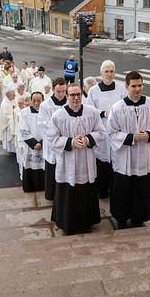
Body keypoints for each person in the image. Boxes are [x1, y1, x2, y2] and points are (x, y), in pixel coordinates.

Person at [107, 71, 150, 229]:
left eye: (140, 85)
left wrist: (148, 134)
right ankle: (121, 217)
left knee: (142, 187)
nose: (137, 89)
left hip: (143, 155)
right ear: (126, 86)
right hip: (125, 156)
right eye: (133, 86)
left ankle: (139, 217)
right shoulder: (118, 107)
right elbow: (111, 132)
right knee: (123, 188)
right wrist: (132, 137)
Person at [48, 83, 105, 236]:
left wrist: (87, 140)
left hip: (86, 160)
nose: (76, 98)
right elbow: (52, 139)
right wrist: (71, 142)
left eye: (78, 94)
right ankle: (68, 224)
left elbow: (101, 132)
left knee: (85, 192)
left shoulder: (92, 113)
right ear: (66, 96)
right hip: (67, 162)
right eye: (72, 95)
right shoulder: (58, 116)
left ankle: (86, 223)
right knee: (68, 194)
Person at [86, 60, 127, 200]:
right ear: (101, 74)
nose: (109, 74)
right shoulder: (94, 91)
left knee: (116, 161)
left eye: (111, 71)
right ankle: (101, 190)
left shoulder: (122, 89)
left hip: (117, 131)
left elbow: (126, 107)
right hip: (102, 131)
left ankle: (115, 189)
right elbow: (89, 112)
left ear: (114, 73)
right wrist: (104, 113)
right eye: (106, 72)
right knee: (102, 163)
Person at [38, 77, 67, 200]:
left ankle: (64, 195)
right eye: (58, 91)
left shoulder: (69, 103)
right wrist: (61, 131)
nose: (61, 95)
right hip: (52, 145)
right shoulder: (45, 105)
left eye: (64, 91)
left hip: (66, 143)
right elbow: (44, 124)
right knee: (53, 170)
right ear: (53, 89)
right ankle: (52, 195)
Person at [18, 91, 45, 192]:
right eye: (34, 101)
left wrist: (42, 143)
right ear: (31, 101)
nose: (37, 103)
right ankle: (30, 188)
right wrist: (34, 144)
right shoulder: (24, 113)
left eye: (39, 101)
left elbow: (50, 129)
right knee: (30, 165)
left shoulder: (46, 112)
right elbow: (22, 129)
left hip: (44, 145)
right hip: (30, 146)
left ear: (43, 100)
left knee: (43, 166)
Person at [0, 89, 17, 154]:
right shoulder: (4, 104)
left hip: (14, 122)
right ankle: (11, 150)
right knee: (9, 137)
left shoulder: (11, 101)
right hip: (8, 124)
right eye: (13, 95)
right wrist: (12, 117)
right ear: (10, 95)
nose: (15, 95)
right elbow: (4, 117)